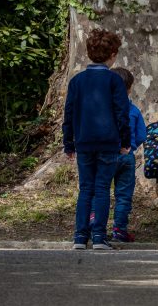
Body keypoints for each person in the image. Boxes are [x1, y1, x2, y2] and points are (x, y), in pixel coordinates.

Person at [63, 28, 130, 250]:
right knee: (102, 188)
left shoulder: (77, 81)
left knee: (86, 188)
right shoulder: (114, 81)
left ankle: (80, 237)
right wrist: (125, 142)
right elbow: (122, 114)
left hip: (83, 142)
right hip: (108, 142)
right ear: (112, 53)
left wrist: (68, 143)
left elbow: (69, 114)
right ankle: (99, 236)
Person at [107, 67, 146, 242]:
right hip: (127, 157)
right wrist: (132, 146)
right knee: (123, 195)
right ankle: (119, 229)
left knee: (100, 191)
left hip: (106, 155)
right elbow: (141, 135)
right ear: (129, 88)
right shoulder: (134, 110)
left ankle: (95, 222)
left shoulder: (104, 110)